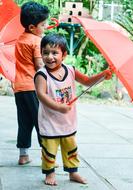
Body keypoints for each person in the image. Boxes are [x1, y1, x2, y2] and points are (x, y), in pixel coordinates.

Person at [34, 33, 112, 186]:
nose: (50, 57)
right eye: (45, 52)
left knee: (71, 149)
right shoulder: (42, 75)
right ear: (41, 53)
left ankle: (73, 172)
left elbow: (87, 81)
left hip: (68, 121)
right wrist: (58, 107)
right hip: (49, 122)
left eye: (54, 53)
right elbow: (41, 95)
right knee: (49, 151)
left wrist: (102, 75)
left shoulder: (70, 70)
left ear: (64, 55)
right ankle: (49, 174)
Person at [14, 1, 49, 165]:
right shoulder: (36, 41)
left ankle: (23, 155)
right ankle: (47, 156)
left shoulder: (20, 39)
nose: (46, 26)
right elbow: (39, 65)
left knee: (24, 121)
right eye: (43, 24)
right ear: (32, 27)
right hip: (32, 87)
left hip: (19, 88)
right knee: (41, 121)